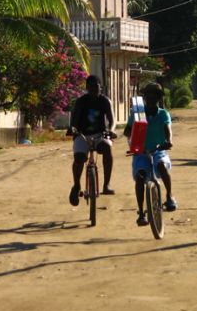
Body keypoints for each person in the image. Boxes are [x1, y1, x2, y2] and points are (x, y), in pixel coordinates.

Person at [123, 82, 176, 226]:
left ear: (159, 98)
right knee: (140, 176)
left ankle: (169, 196)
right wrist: (132, 135)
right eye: (148, 95)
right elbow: (127, 131)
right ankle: (141, 212)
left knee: (161, 166)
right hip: (141, 152)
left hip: (159, 149)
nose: (151, 98)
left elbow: (167, 128)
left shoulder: (163, 114)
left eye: (154, 96)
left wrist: (168, 141)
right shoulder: (137, 114)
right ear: (144, 98)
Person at [68, 75, 116, 206]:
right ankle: (76, 186)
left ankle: (106, 185)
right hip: (82, 135)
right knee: (79, 158)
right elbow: (74, 121)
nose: (94, 89)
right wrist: (73, 130)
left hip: (100, 135)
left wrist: (111, 130)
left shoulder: (105, 101)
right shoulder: (81, 101)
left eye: (96, 86)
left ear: (101, 87)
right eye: (91, 87)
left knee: (107, 149)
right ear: (87, 88)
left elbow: (112, 120)